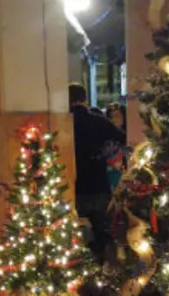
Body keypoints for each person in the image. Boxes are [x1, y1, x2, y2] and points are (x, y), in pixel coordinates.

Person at [69, 83, 125, 263]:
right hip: (98, 183)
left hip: (74, 185)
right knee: (102, 230)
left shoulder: (63, 122)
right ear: (84, 99)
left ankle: (84, 267)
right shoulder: (98, 120)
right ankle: (104, 267)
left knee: (74, 232)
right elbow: (121, 137)